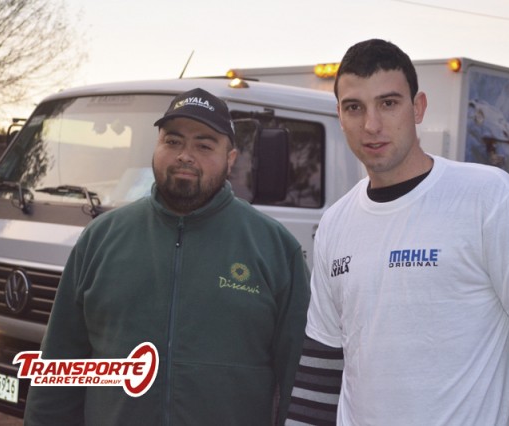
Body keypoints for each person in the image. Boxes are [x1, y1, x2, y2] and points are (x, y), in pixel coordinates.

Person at [286, 39, 509, 426]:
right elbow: (321, 365)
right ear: (340, 116)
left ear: (419, 107)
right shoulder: (335, 223)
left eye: (388, 103)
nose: (371, 124)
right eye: (354, 107)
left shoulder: (487, 196)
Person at [24, 88, 310, 425]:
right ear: (157, 146)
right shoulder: (100, 239)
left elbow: (300, 382)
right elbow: (61, 367)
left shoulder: (275, 249)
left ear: (231, 159)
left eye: (204, 145)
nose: (185, 155)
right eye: (172, 142)